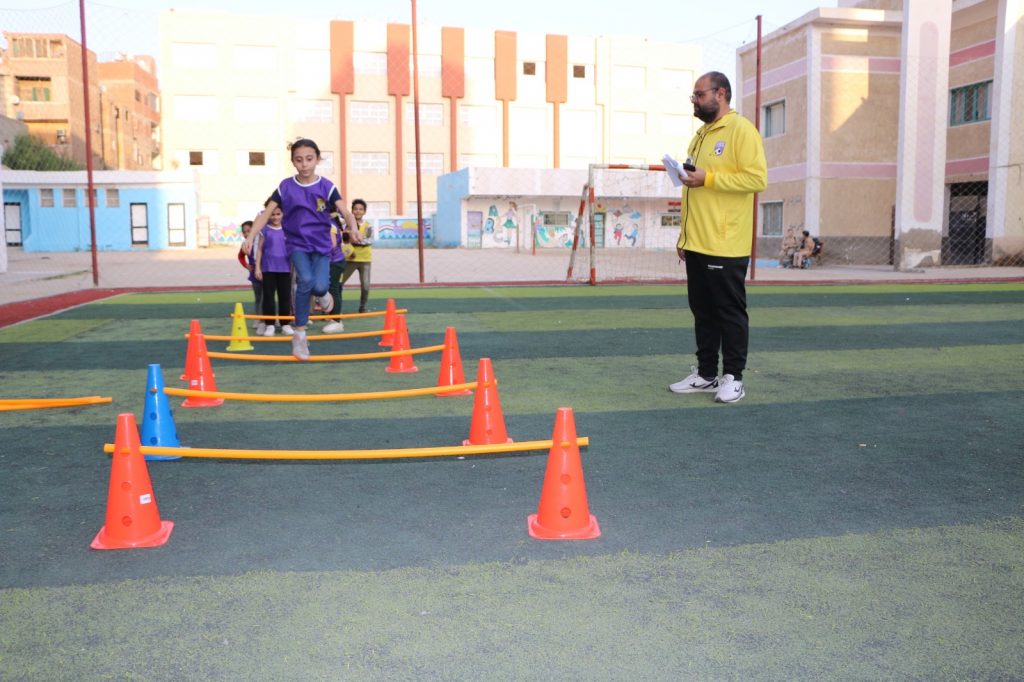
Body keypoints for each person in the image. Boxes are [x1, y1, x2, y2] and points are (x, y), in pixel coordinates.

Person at [669, 71, 767, 404]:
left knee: (729, 312)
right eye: (693, 96)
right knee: (703, 312)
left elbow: (756, 179)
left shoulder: (742, 130)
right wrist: (684, 237)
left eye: (699, 95)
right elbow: (693, 189)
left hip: (725, 243)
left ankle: (734, 377)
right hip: (697, 241)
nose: (695, 101)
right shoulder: (700, 136)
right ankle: (706, 374)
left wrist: (708, 178)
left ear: (720, 93)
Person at [244, 138, 358, 360]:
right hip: (297, 244)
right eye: (299, 160)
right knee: (305, 280)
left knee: (320, 286)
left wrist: (352, 228)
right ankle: (300, 334)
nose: (304, 164)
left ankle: (323, 295)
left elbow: (345, 211)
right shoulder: (285, 187)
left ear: (317, 159)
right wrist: (250, 237)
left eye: (309, 159)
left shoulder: (327, 186)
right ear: (293, 162)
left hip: (321, 246)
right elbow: (266, 214)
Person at [254, 202, 293, 337]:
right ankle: (269, 325)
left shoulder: (288, 229)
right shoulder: (264, 230)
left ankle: (285, 324)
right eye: (272, 214)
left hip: (285, 269)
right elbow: (259, 250)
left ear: (283, 214)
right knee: (269, 297)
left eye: (278, 214)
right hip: (268, 269)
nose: (275, 217)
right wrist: (257, 267)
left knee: (285, 297)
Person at [339, 198, 373, 314]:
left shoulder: (368, 226)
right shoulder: (346, 225)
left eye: (361, 209)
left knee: (365, 286)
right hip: (350, 259)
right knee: (339, 283)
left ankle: (363, 307)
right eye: (355, 209)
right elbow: (343, 239)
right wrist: (356, 239)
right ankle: (335, 307)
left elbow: (369, 240)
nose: (358, 211)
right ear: (352, 211)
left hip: (365, 260)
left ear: (364, 211)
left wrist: (353, 240)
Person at [322, 211, 347, 334]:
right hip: (333, 261)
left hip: (335, 262)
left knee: (333, 289)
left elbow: (332, 245)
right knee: (332, 288)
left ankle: (336, 320)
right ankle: (334, 317)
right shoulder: (329, 223)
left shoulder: (330, 224)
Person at [237, 220, 262, 328]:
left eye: (249, 231)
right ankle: (258, 319)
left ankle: (269, 319)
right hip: (254, 275)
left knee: (267, 297)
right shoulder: (245, 244)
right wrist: (246, 265)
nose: (246, 234)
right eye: (244, 232)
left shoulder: (261, 240)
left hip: (266, 272)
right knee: (258, 298)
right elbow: (240, 256)